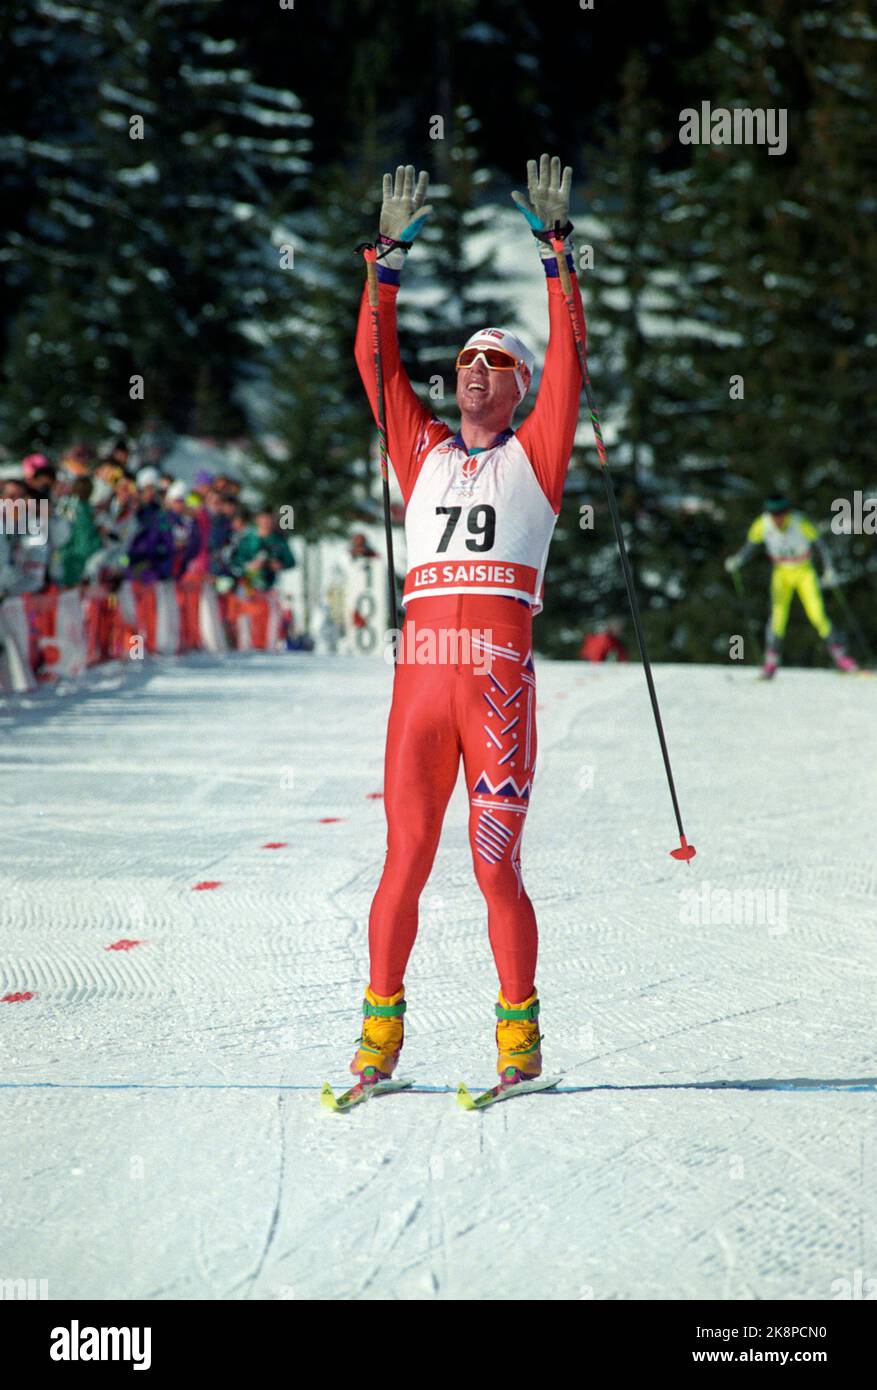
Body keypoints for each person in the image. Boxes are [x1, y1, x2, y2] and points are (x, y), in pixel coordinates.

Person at [348, 156, 584, 1094]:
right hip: (420, 687)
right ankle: (377, 1041)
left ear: (520, 387)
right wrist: (385, 261)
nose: (474, 372)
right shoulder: (422, 451)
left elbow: (570, 355)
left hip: (493, 686)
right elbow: (374, 360)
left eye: (495, 363)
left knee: (494, 874)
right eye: (465, 363)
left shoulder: (537, 454)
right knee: (402, 860)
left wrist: (554, 252)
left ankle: (518, 1043)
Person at [725, 494, 858, 679]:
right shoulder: (762, 524)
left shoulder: (800, 522)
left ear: (787, 512)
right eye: (773, 514)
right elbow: (751, 546)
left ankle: (841, 659)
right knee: (778, 618)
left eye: (780, 513)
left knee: (817, 615)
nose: (777, 518)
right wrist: (738, 560)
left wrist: (829, 569)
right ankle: (770, 664)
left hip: (804, 571)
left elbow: (822, 546)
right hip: (781, 573)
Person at [231, 509, 294, 590]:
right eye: (264, 519)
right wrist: (249, 565)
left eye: (269, 519)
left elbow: (291, 561)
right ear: (257, 520)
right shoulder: (247, 539)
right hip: (248, 588)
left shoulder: (279, 540)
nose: (266, 522)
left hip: (272, 588)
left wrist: (279, 565)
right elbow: (236, 562)